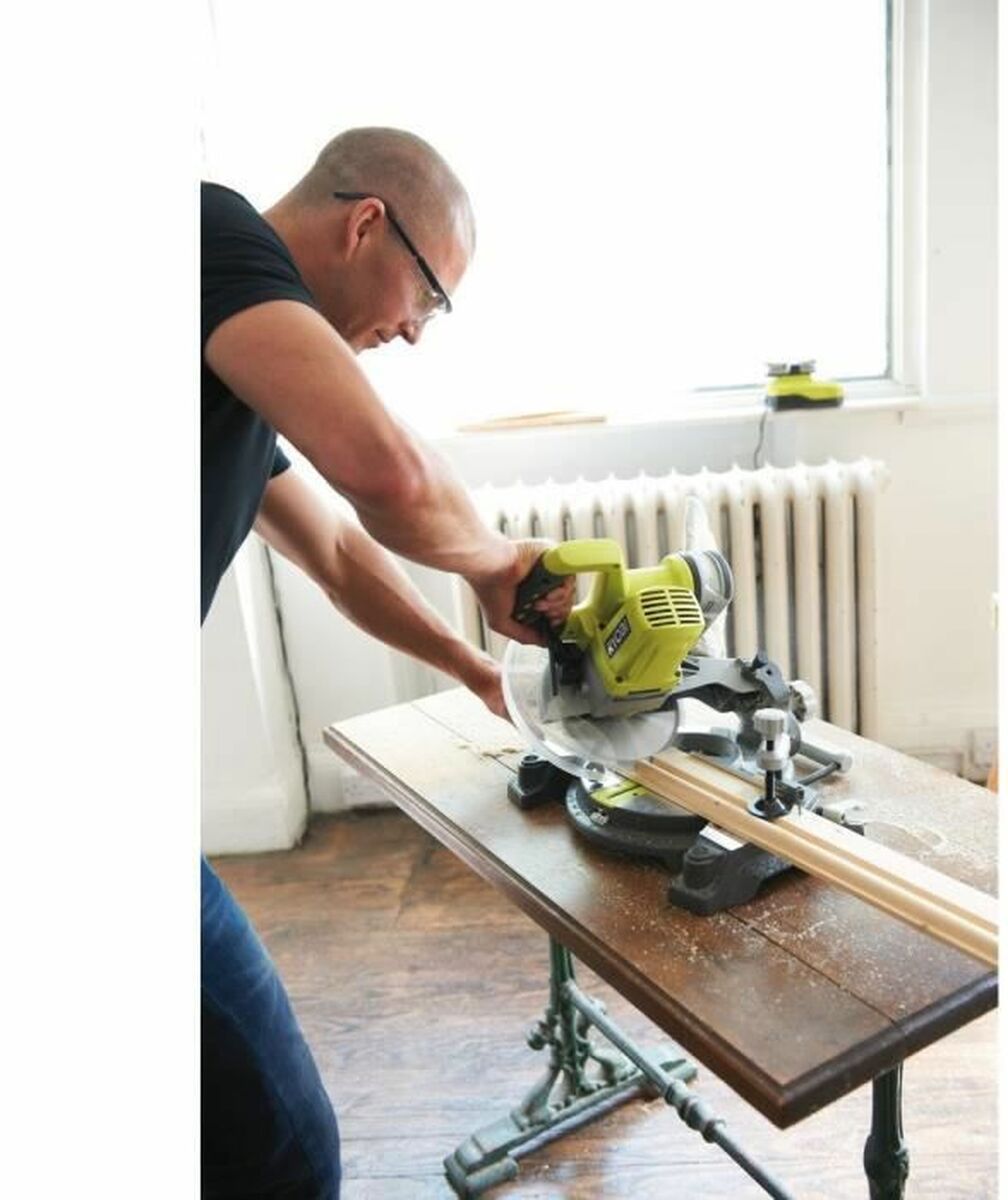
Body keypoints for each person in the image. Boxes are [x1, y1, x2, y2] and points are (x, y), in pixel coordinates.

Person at [200, 127, 572, 1198]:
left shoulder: (230, 370)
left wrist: (474, 667)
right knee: (282, 1149)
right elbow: (388, 475)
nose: (413, 332)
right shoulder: (210, 232)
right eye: (428, 297)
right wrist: (499, 560)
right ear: (367, 223)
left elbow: (336, 554)